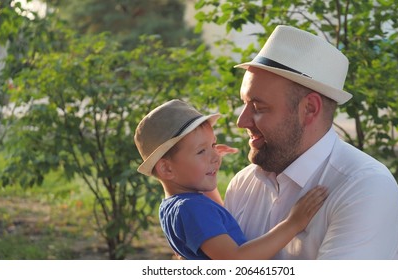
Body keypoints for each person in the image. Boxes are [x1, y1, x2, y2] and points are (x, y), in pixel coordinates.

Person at [224, 25, 398, 259]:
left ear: (309, 109)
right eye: (244, 104)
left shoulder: (366, 187)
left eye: (259, 107)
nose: (242, 121)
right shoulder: (243, 184)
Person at [133, 99, 328, 260]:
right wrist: (293, 223)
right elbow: (235, 260)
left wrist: (206, 158)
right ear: (166, 168)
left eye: (213, 145)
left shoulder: (176, 206)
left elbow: (217, 215)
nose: (215, 156)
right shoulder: (192, 209)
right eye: (201, 150)